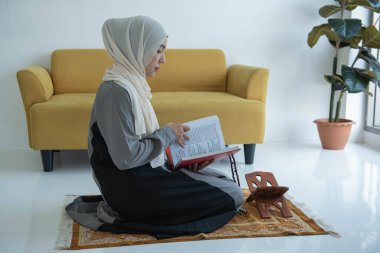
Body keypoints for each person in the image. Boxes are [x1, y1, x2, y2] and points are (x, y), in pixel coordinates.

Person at [66, 15, 243, 239]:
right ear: (137, 48)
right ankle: (123, 214)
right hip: (131, 188)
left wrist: (182, 161)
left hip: (142, 176)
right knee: (231, 195)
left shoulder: (131, 84)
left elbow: (137, 143)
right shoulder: (116, 91)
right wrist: (167, 134)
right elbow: (126, 158)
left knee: (222, 181)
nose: (163, 59)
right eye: (158, 50)